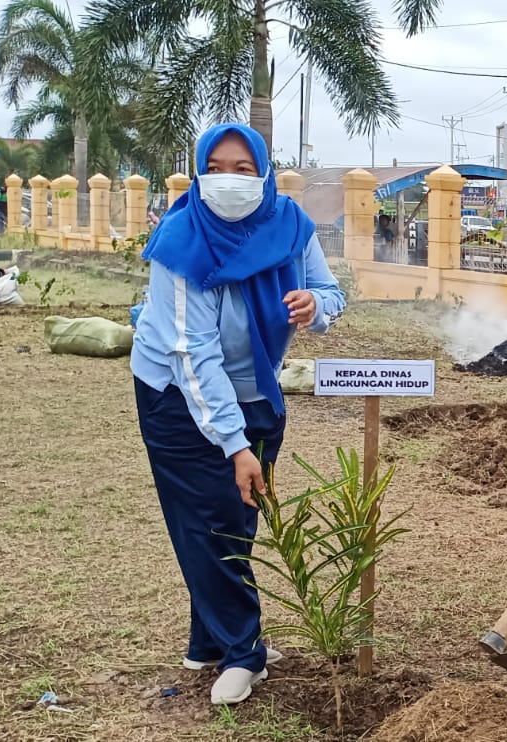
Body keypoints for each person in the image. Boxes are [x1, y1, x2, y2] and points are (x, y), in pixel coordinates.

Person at [130, 123, 346, 706]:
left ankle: (209, 642)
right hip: (177, 393)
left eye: (243, 168)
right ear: (199, 171)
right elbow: (191, 352)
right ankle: (245, 652)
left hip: (255, 385)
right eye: (216, 167)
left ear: (265, 172)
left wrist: (315, 305)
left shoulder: (292, 226)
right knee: (207, 518)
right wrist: (234, 444)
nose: (229, 180)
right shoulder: (180, 241)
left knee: (238, 515)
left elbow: (331, 290)